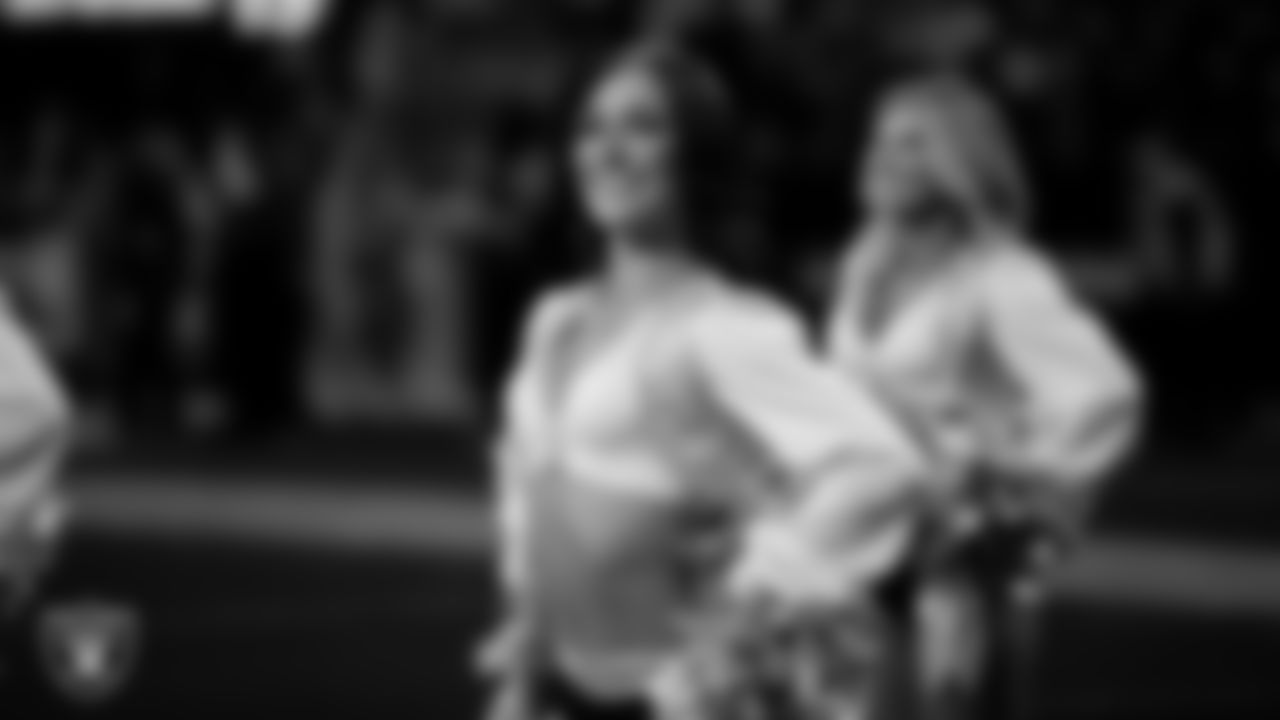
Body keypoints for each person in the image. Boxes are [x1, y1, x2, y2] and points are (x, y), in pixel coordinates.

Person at [477, 40, 928, 720]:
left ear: (696, 154)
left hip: (676, 699)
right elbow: (526, 488)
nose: (609, 150)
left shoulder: (722, 327)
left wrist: (751, 602)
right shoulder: (556, 321)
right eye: (591, 128)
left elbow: (880, 466)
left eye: (642, 126)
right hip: (557, 687)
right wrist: (524, 652)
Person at [824, 75, 1143, 720]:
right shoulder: (864, 261)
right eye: (878, 138)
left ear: (958, 161)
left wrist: (1008, 493)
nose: (882, 155)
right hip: (854, 553)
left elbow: (1103, 394)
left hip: (952, 577)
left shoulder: (1002, 277)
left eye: (912, 143)